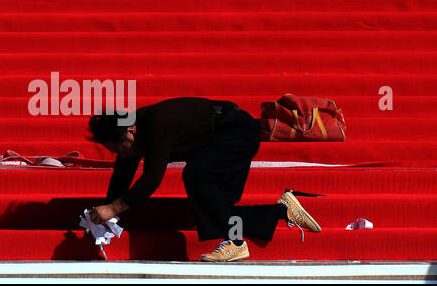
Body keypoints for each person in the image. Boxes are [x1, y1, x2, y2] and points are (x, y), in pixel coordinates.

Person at [86, 98, 321, 262]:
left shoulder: (155, 125)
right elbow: (122, 175)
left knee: (197, 175)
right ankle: (282, 210)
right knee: (220, 207)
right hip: (216, 141)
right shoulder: (129, 133)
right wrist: (104, 213)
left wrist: (114, 208)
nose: (122, 155)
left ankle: (236, 243)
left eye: (120, 149)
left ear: (130, 132)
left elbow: (151, 179)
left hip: (237, 131)